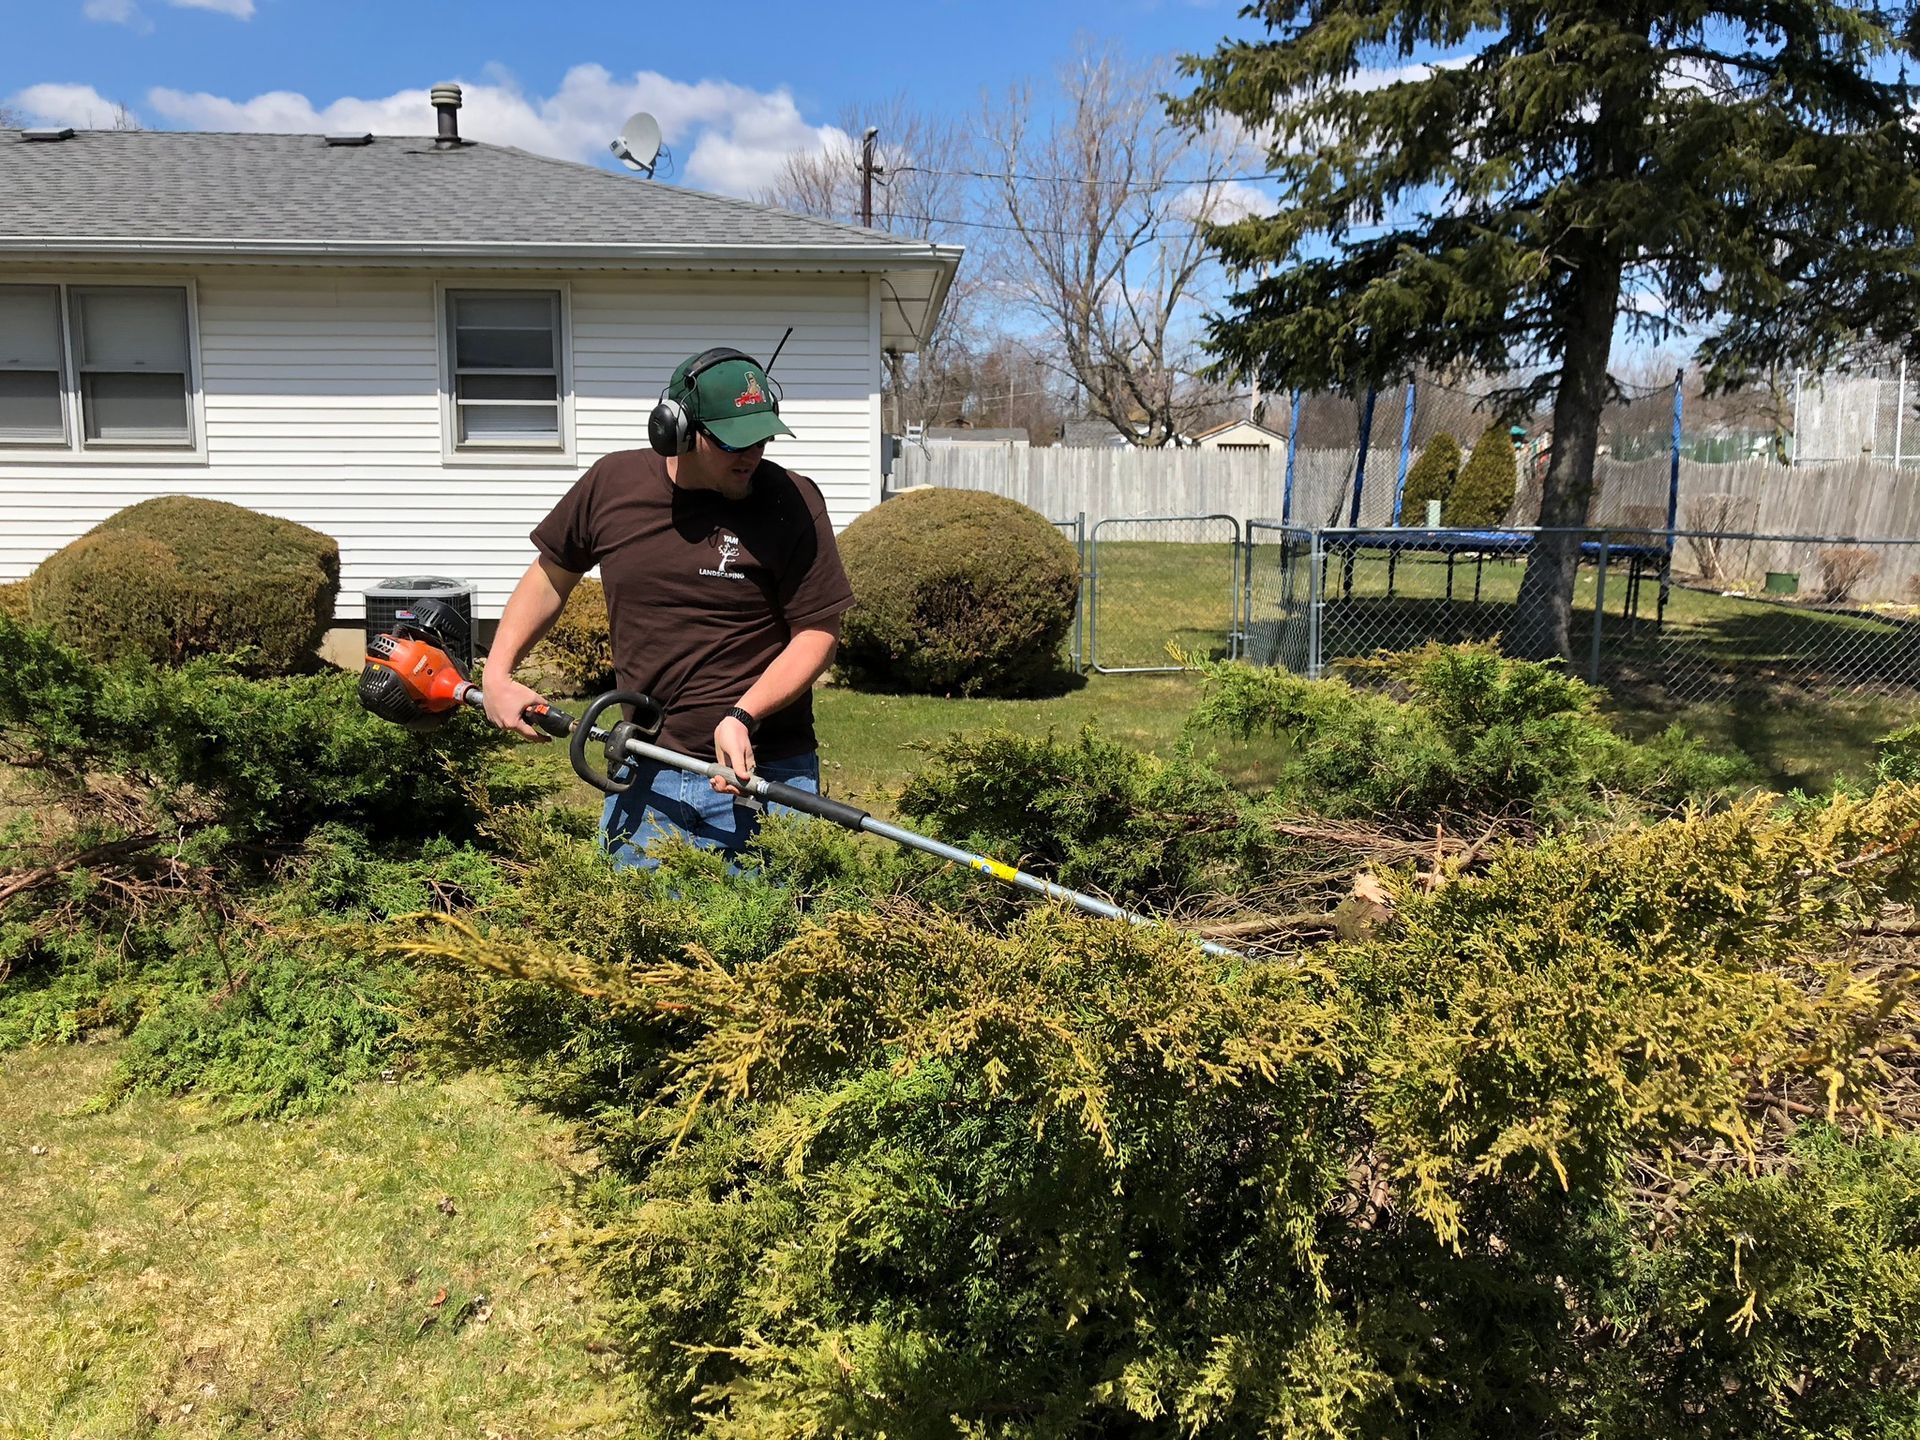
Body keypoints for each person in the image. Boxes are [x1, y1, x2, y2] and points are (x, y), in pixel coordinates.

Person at [481, 346, 854, 867]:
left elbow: (817, 633)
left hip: (764, 777)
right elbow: (550, 576)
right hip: (644, 769)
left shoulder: (791, 500)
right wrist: (498, 673)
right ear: (676, 429)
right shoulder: (612, 485)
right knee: (635, 942)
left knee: (767, 943)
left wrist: (742, 715)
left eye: (762, 437)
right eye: (732, 441)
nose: (752, 455)